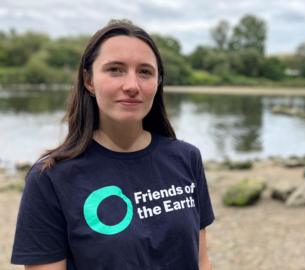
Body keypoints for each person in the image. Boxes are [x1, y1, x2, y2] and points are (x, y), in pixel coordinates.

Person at [10, 20, 215, 270]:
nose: (132, 86)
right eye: (115, 69)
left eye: (145, 72)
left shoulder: (187, 158)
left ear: (158, 82)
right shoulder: (51, 178)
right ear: (89, 81)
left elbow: (201, 261)